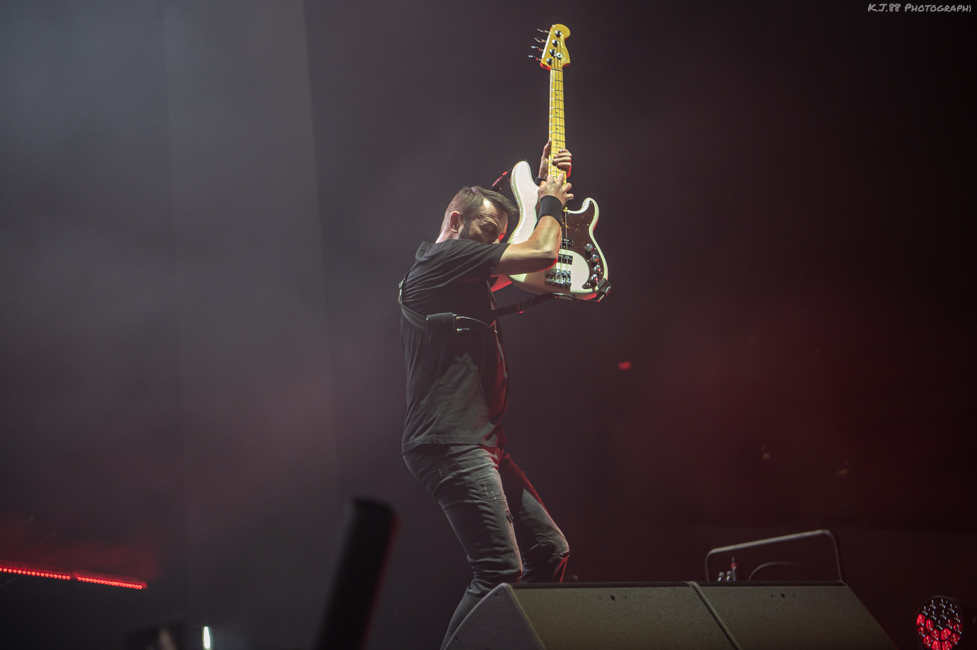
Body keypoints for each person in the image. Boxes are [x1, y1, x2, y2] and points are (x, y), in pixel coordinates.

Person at [399, 141, 573, 649]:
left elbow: (538, 272)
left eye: (497, 239)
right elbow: (539, 251)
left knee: (549, 549)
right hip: (449, 441)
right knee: (498, 568)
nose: (493, 245)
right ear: (455, 221)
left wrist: (546, 189)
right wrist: (551, 199)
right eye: (486, 235)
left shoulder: (460, 276)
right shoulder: (440, 261)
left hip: (480, 440)